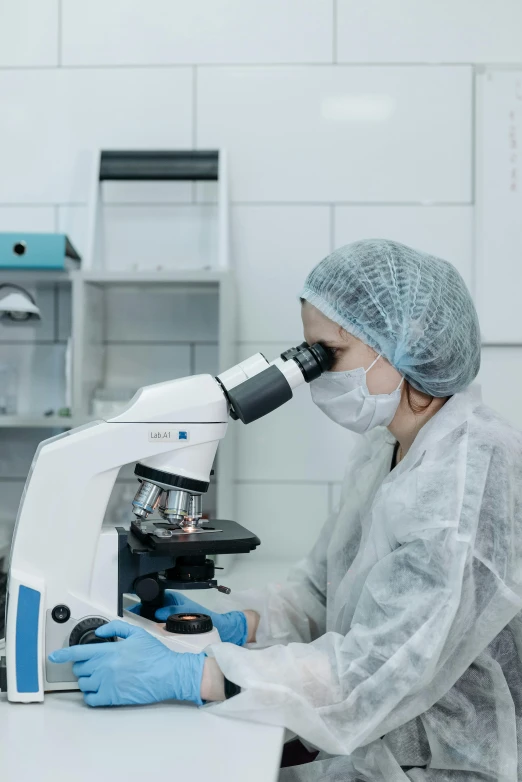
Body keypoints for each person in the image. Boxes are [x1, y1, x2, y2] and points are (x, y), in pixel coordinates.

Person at [50, 239, 522, 782]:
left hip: (444, 760)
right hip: (371, 742)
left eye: (329, 354)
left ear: (400, 345)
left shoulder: (467, 472)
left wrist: (194, 675)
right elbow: (321, 594)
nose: (317, 372)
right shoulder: (385, 448)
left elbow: (381, 669)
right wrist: (231, 626)